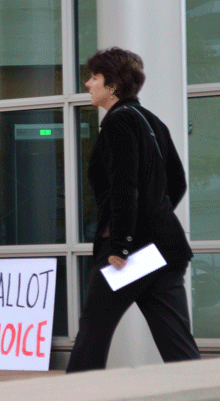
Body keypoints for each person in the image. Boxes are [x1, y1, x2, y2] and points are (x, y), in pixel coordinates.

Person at [66, 47, 200, 373]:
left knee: (92, 334)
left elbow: (125, 187)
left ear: (111, 86)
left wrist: (122, 244)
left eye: (94, 77)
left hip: (130, 255)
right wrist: (157, 217)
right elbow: (178, 183)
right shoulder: (152, 121)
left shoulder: (118, 123)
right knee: (178, 344)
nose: (87, 83)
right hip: (165, 249)